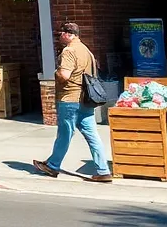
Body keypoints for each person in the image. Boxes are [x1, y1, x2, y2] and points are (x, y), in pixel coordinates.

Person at [33, 22, 112, 183]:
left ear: (68, 34)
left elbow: (65, 75)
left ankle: (53, 165)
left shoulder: (69, 51)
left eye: (60, 33)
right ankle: (103, 170)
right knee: (92, 135)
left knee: (64, 134)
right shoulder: (86, 50)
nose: (59, 37)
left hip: (70, 99)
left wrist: (56, 73)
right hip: (85, 99)